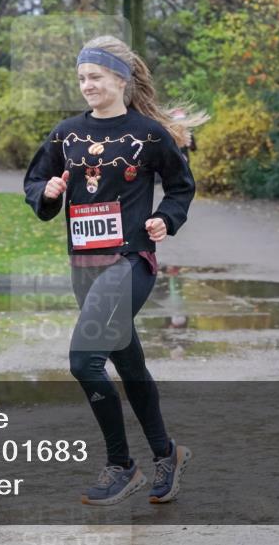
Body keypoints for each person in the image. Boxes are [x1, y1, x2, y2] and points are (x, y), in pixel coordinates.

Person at [24, 35, 206, 505]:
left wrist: (165, 220)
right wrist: (46, 193)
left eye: (96, 77)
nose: (87, 85)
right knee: (127, 360)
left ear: (120, 80)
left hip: (131, 261)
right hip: (84, 264)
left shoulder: (148, 133)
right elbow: (36, 181)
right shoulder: (66, 133)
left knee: (84, 360)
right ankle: (168, 453)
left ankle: (121, 464)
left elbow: (182, 186)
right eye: (82, 78)